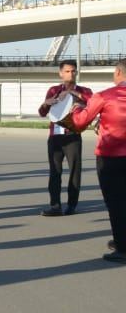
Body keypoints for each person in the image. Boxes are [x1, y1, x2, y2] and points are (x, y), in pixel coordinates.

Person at [68, 58, 126, 263]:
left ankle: (122, 247)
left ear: (118, 72)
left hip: (110, 157)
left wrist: (76, 108)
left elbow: (79, 123)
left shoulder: (104, 96)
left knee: (116, 202)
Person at [38, 60, 92, 216]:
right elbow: (42, 112)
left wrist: (76, 97)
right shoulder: (54, 90)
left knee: (75, 171)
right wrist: (46, 103)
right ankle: (55, 206)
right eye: (67, 71)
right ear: (61, 73)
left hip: (73, 136)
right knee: (55, 172)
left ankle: (72, 205)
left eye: (73, 71)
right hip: (55, 137)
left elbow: (93, 104)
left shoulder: (84, 91)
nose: (71, 74)